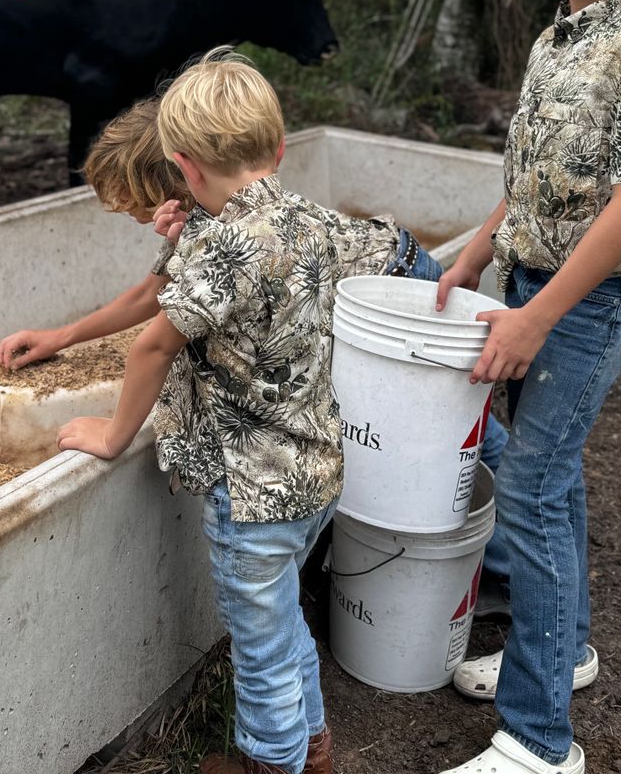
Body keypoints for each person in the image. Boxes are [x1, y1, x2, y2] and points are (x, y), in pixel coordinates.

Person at [55, 48, 430, 774]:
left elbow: (151, 346)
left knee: (258, 652)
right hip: (316, 477)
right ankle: (313, 748)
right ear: (278, 147)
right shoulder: (310, 221)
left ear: (184, 166)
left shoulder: (224, 246)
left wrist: (112, 435)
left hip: (252, 496)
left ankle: (273, 761)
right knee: (285, 625)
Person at [435, 0, 621, 774]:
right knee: (556, 479)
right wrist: (475, 251)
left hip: (591, 301)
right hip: (533, 281)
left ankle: (540, 741)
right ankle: (565, 648)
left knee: (534, 493)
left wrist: (539, 318)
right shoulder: (556, 38)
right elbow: (531, 179)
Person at [0, 98, 188, 370]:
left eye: (122, 186)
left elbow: (153, 347)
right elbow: (149, 294)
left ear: (154, 181)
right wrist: (60, 337)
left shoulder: (214, 224)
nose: (118, 200)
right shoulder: (183, 221)